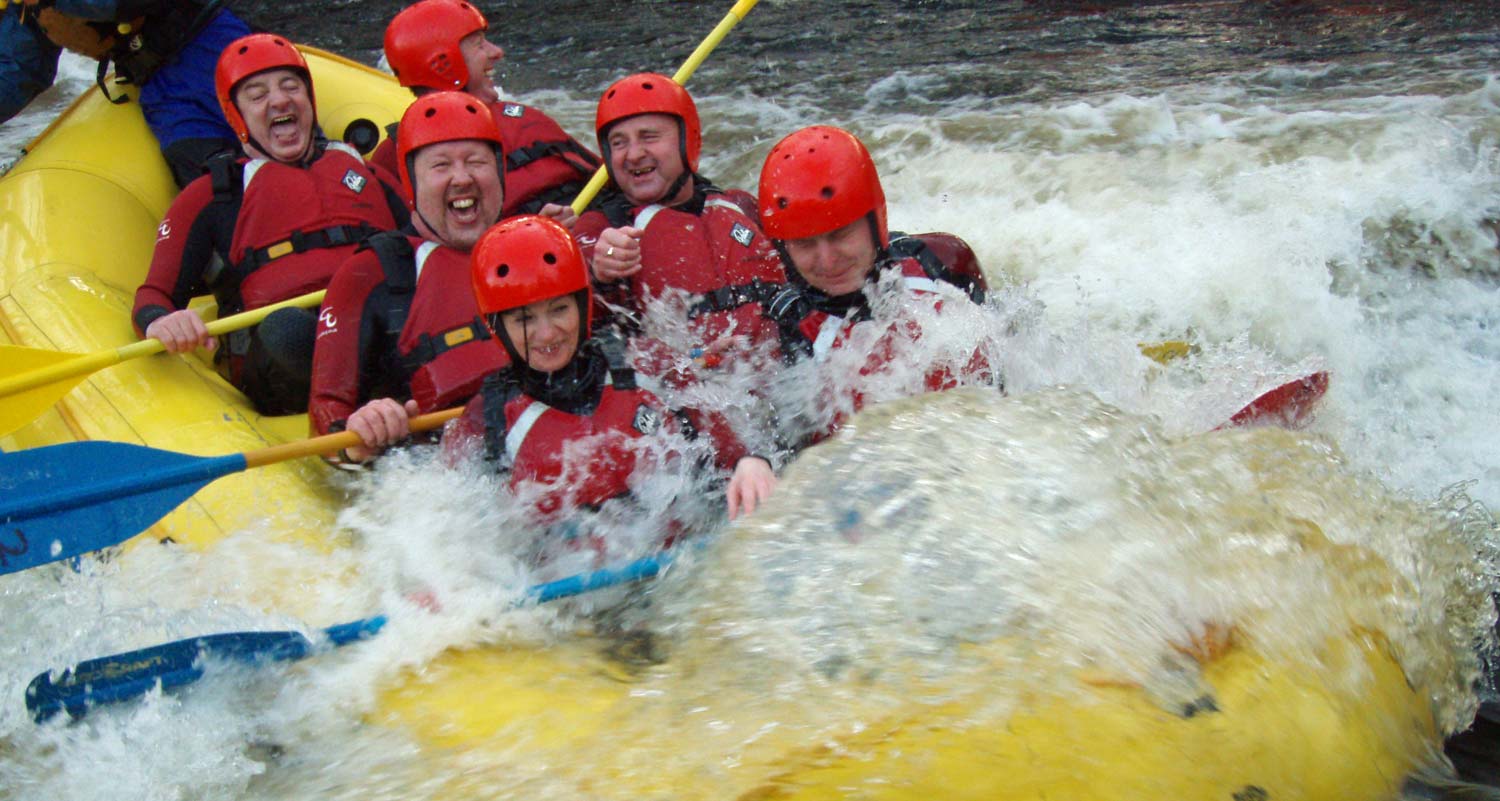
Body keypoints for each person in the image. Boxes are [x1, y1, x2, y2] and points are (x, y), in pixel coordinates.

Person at [132, 33, 408, 415]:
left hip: (378, 332)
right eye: (258, 95)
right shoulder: (214, 195)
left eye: (291, 86)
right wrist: (163, 323)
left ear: (309, 100)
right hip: (286, 362)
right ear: (237, 115)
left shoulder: (367, 173)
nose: (279, 100)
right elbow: (153, 297)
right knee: (287, 330)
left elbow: (430, 250)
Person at [442, 215, 775, 531]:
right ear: (496, 328)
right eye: (524, 320)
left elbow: (730, 447)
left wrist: (751, 463)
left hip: (687, 555)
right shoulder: (487, 422)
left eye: (559, 310)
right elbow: (452, 534)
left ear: (583, 305)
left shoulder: (643, 362)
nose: (546, 334)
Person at [309, 91, 575, 464]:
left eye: (476, 162)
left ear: (498, 172)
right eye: (441, 166)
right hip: (445, 474)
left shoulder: (544, 246)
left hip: (561, 447)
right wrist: (357, 435)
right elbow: (325, 414)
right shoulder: (371, 272)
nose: (462, 177)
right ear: (411, 182)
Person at [755, 124, 993, 447]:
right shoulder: (784, 328)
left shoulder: (942, 263)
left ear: (876, 221)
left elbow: (1009, 358)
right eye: (804, 244)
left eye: (840, 235)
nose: (827, 260)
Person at [573, 73, 787, 372]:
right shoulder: (599, 230)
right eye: (619, 143)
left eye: (649, 137)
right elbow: (569, 325)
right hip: (687, 394)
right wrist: (600, 270)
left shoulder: (740, 206)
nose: (633, 154)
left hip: (784, 380)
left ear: (688, 140)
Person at [371, 0, 600, 218]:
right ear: (443, 64)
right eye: (479, 44)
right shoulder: (394, 156)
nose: (497, 52)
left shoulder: (524, 118)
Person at [0, 0, 252, 188]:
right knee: (210, 176)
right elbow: (18, 70)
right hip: (160, 86)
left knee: (270, 143)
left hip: (215, 41)